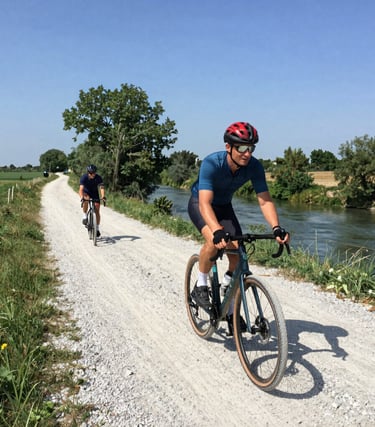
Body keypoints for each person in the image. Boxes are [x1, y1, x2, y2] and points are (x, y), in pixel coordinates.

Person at [188, 121, 290, 334]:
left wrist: (276, 228)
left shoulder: (254, 166)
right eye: (242, 148)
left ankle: (228, 292)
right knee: (214, 243)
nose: (247, 153)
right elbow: (205, 203)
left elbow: (264, 200)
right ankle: (201, 285)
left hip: (224, 206)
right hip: (201, 204)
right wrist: (216, 230)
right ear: (229, 147)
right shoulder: (212, 163)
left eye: (251, 148)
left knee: (237, 254)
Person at [79, 164, 106, 237]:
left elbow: (102, 188)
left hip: (94, 193)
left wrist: (103, 196)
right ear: (88, 173)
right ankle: (85, 215)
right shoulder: (84, 177)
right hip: (86, 192)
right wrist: (82, 197)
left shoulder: (98, 178)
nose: (92, 174)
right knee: (86, 200)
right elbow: (81, 189)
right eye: (91, 173)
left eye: (94, 173)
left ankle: (97, 228)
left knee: (97, 209)